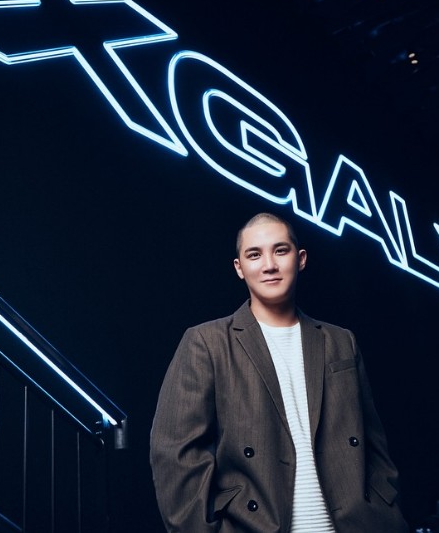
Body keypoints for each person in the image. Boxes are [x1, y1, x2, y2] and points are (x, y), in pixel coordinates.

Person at [150, 212, 408, 532]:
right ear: (239, 268)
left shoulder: (341, 341)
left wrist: (386, 508)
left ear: (301, 259)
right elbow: (174, 454)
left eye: (280, 250)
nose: (269, 265)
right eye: (254, 255)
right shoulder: (207, 342)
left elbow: (374, 444)